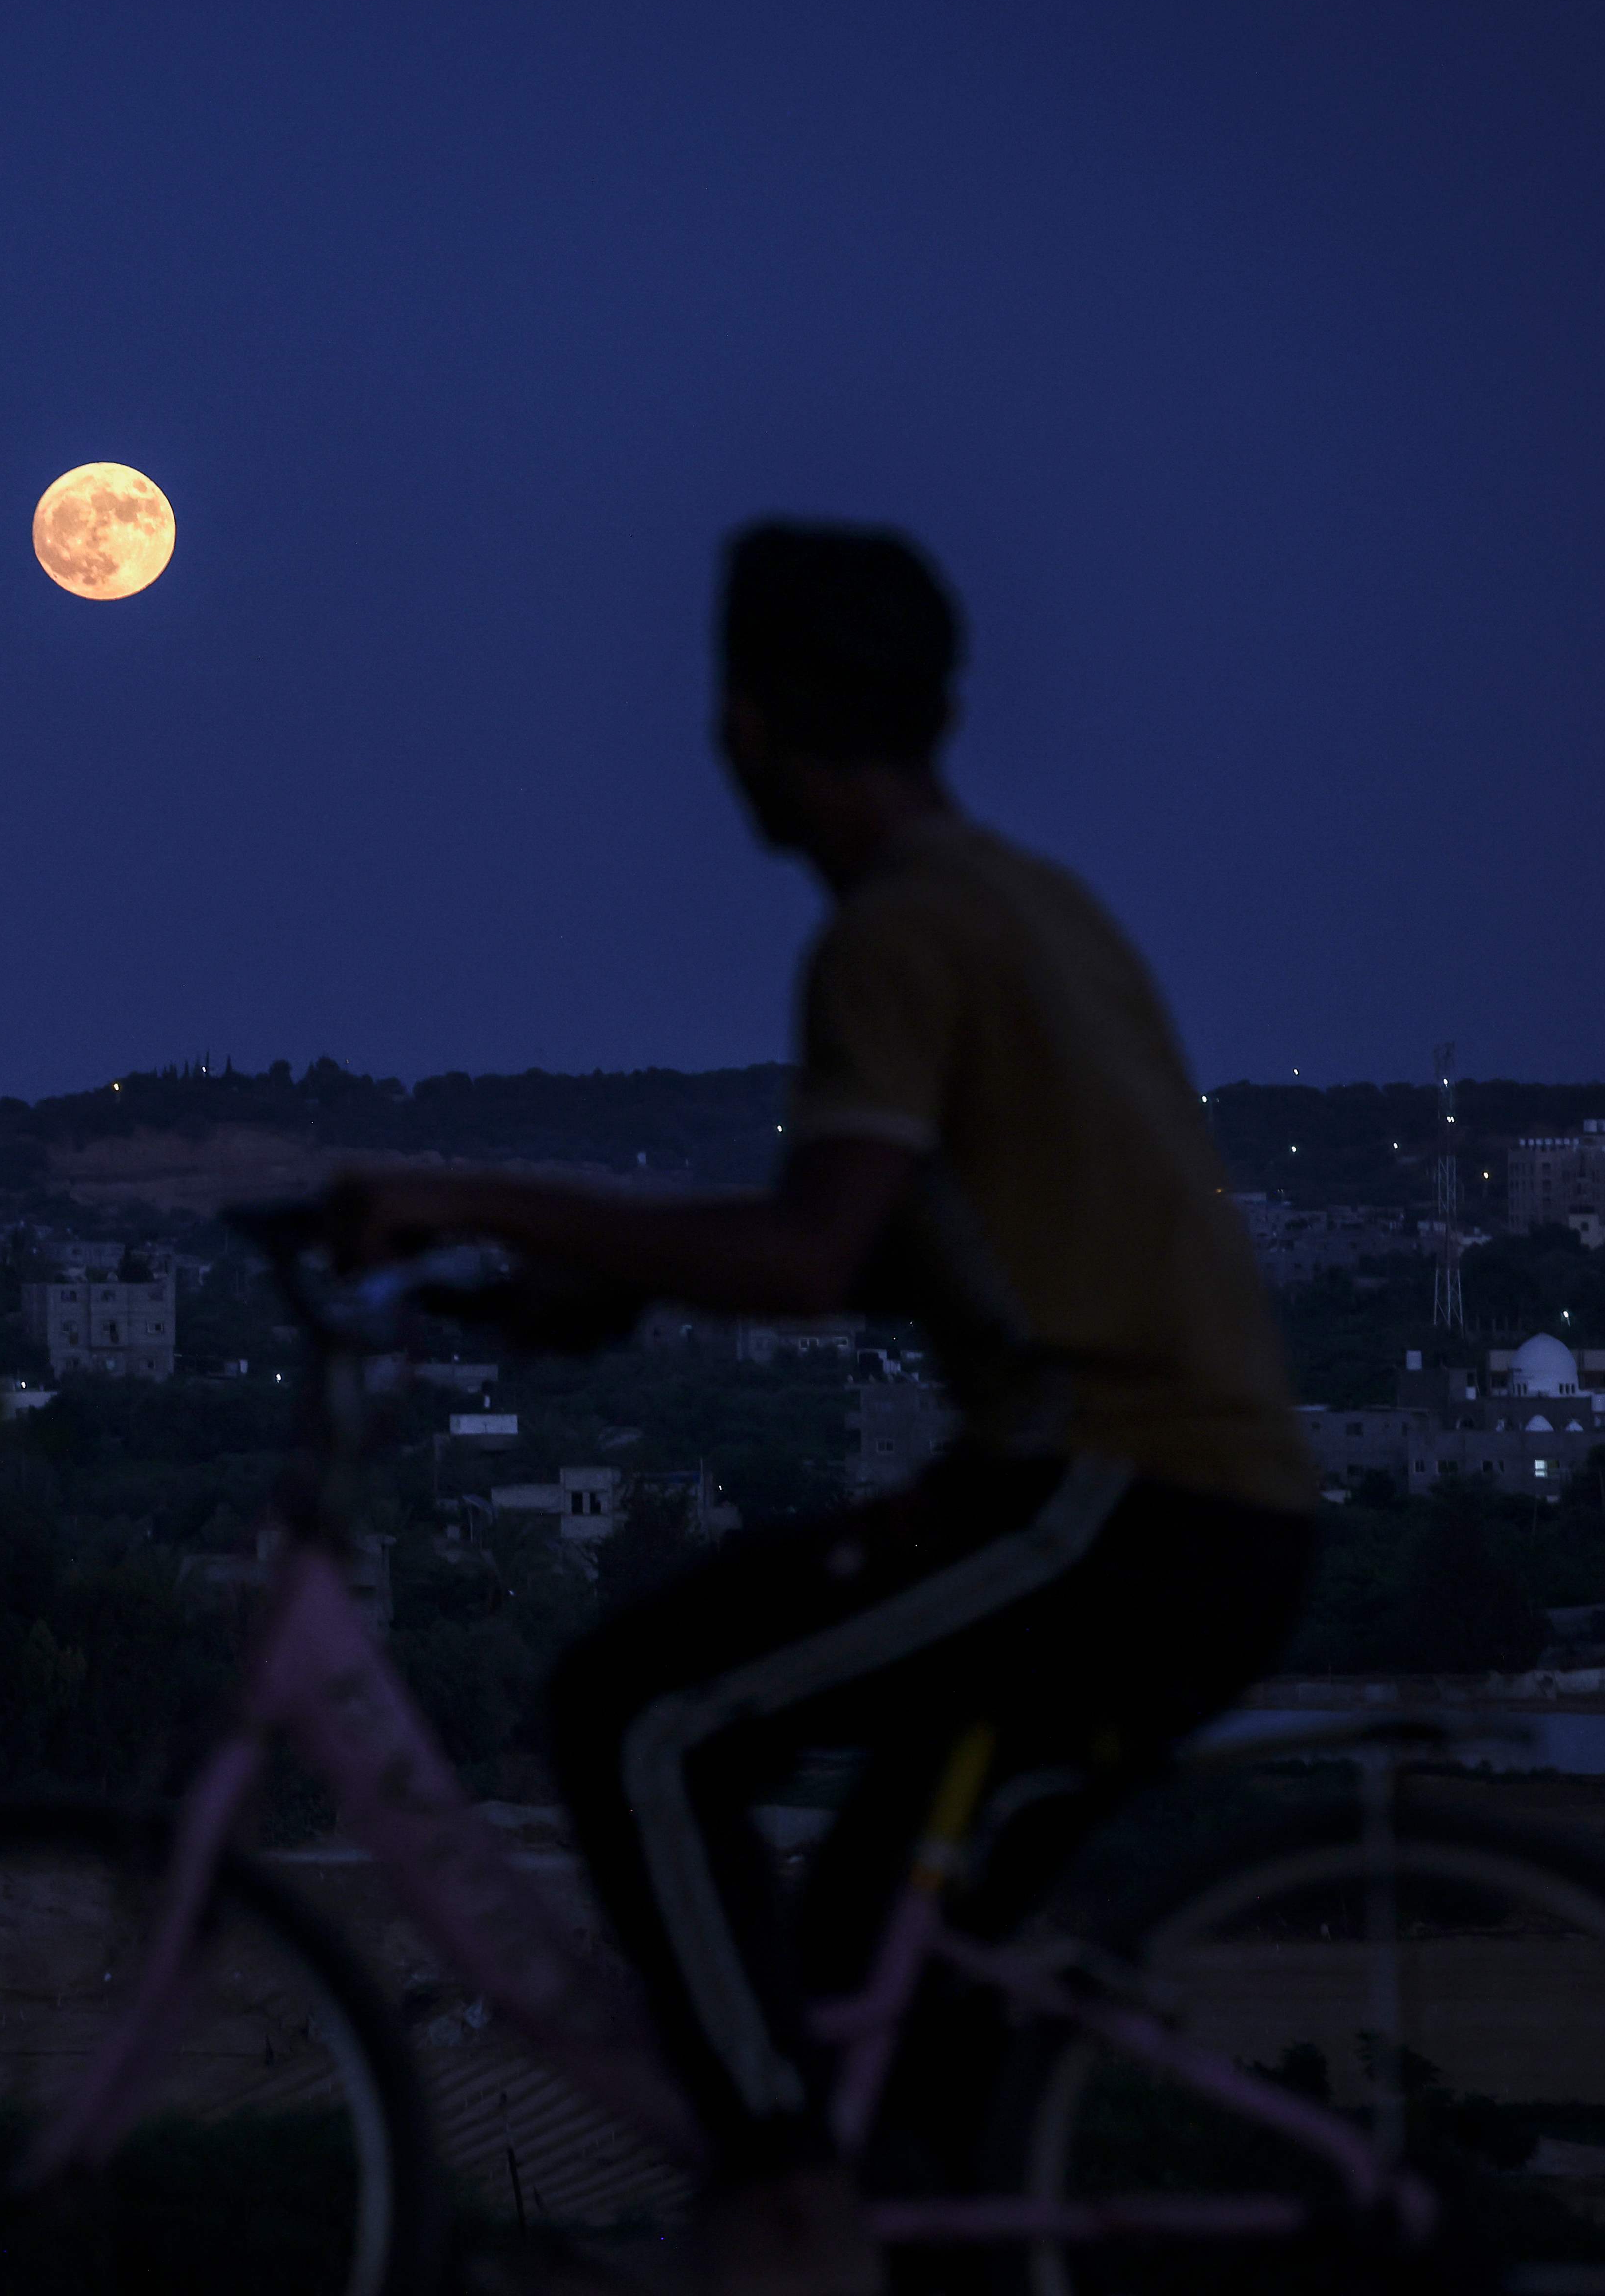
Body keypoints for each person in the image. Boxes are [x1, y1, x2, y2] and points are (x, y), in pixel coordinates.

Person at [331, 522, 1313, 2296]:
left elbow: (804, 1256)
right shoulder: (1029, 903)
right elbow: (917, 1245)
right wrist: (606, 1281)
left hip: (1120, 1505)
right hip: (1187, 1508)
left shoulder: (891, 941)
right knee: (878, 1975)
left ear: (750, 722)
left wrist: (475, 1196)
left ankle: (776, 2202)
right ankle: (873, 2200)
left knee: (636, 1713)